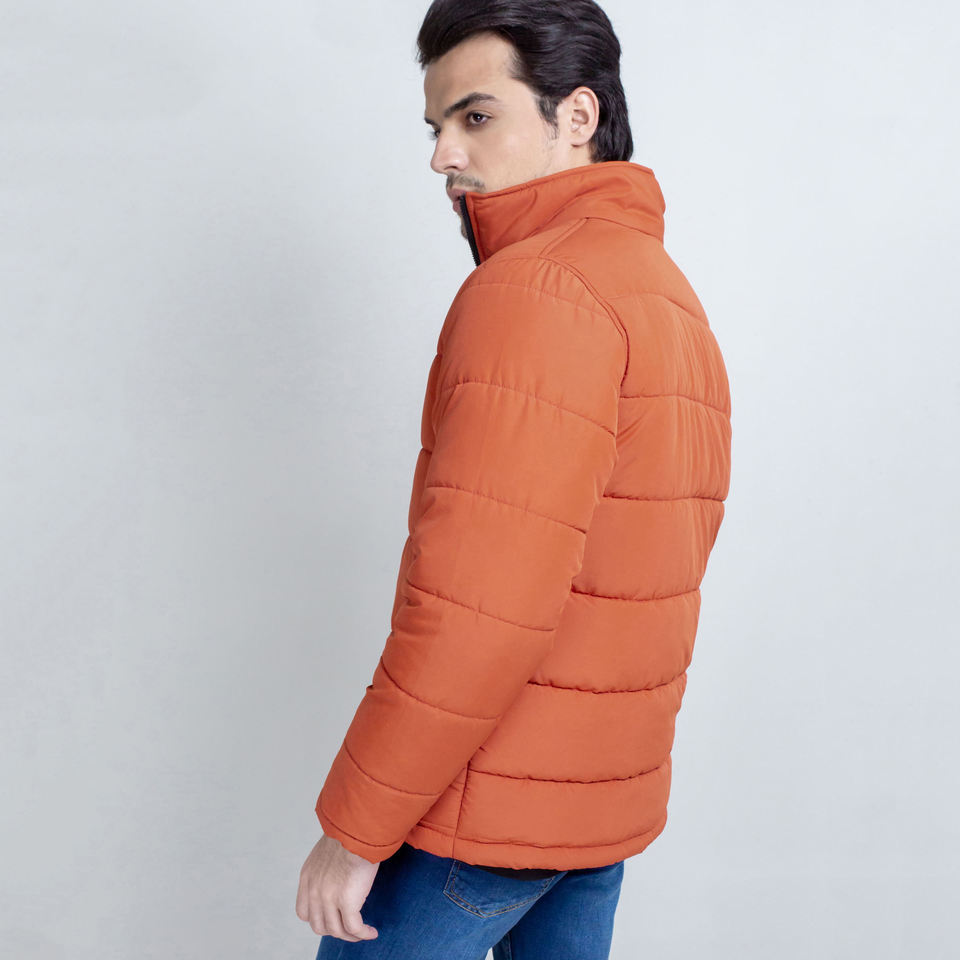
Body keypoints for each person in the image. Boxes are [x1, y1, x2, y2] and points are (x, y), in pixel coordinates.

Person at [295, 1, 732, 956]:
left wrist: (355, 830)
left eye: (476, 116)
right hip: (595, 813)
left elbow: (478, 610)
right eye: (435, 125)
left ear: (576, 115)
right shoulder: (664, 296)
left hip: (477, 817)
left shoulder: (537, 290)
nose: (442, 156)